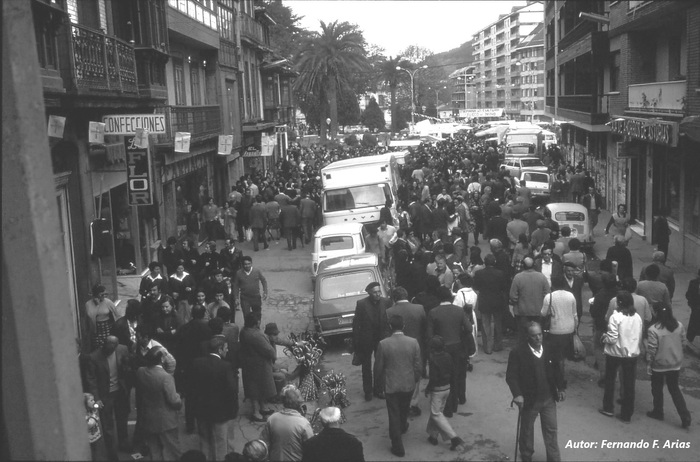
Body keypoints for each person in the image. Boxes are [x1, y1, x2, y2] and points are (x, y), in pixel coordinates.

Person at [506, 322, 566, 462]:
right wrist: (517, 394)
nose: (538, 338)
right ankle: (526, 456)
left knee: (551, 430)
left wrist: (561, 387)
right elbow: (511, 376)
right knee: (527, 430)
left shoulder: (549, 348)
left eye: (540, 334)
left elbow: (557, 369)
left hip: (549, 398)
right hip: (529, 399)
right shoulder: (518, 352)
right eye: (534, 336)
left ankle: (554, 459)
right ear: (528, 337)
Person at [375, 315, 423, 458]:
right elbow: (418, 365)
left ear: (390, 327)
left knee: (393, 413)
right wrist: (415, 379)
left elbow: (378, 367)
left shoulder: (383, 344)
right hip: (408, 383)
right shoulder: (413, 342)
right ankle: (402, 426)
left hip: (391, 385)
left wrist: (377, 385)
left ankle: (397, 444)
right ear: (403, 326)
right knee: (404, 407)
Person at [190, 337, 238, 460]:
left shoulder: (197, 363)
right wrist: (233, 411)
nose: (227, 351)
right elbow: (232, 390)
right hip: (220, 413)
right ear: (220, 349)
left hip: (201, 410)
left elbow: (192, 388)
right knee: (220, 444)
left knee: (204, 441)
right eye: (226, 348)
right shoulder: (226, 366)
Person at [427, 287, 472, 417]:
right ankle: (460, 397)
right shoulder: (459, 311)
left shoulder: (433, 312)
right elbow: (468, 328)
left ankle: (449, 404)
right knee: (458, 372)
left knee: (444, 376)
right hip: (457, 347)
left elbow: (430, 335)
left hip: (441, 349)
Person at [599, 291, 643, 423]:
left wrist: (604, 337)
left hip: (615, 353)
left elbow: (612, 338)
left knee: (610, 380)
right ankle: (627, 413)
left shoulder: (615, 317)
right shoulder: (637, 317)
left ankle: (608, 407)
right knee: (629, 383)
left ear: (618, 303)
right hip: (632, 353)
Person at [85, 335, 131, 459]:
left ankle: (123, 442)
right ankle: (112, 452)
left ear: (116, 346)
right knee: (107, 424)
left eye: (112, 348)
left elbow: (127, 367)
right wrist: (97, 398)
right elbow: (91, 379)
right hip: (105, 395)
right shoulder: (94, 357)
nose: (109, 350)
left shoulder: (123, 349)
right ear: (104, 344)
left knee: (122, 419)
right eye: (107, 347)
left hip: (120, 391)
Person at [646, 304, 691, 428]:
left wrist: (649, 363)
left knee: (657, 388)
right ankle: (685, 415)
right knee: (674, 389)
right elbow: (683, 343)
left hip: (659, 365)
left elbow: (652, 350)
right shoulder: (679, 326)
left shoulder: (653, 330)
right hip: (675, 363)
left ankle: (658, 411)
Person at [135, 347, 182, 460]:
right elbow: (173, 400)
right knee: (173, 450)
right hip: (166, 420)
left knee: (154, 450)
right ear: (161, 359)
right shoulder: (166, 377)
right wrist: (179, 398)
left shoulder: (141, 371)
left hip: (148, 417)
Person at [386, 286, 427, 417]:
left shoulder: (389, 311)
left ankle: (401, 401)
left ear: (394, 298)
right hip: (416, 345)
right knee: (416, 373)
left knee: (399, 372)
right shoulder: (419, 308)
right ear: (407, 295)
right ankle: (413, 403)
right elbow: (424, 328)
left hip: (395, 348)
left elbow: (386, 332)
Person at [352, 282, 392, 401]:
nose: (377, 294)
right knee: (366, 366)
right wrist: (356, 342)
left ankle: (379, 389)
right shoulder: (362, 304)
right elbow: (356, 324)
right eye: (375, 292)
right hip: (366, 339)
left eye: (379, 292)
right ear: (369, 293)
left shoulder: (386, 302)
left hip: (381, 338)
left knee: (380, 365)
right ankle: (368, 391)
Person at [424, 336, 464, 451]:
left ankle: (454, 437)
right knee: (438, 414)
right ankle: (433, 436)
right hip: (447, 388)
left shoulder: (433, 359)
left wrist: (428, 388)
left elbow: (433, 378)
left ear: (433, 348)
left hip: (437, 390)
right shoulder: (448, 356)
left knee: (436, 414)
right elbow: (453, 372)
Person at [260, 384, 314, 461]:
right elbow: (310, 448)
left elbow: (264, 443)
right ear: (299, 402)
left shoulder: (272, 418)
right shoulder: (303, 424)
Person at [240, 313, 278, 422]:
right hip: (259, 365)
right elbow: (269, 351)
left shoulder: (244, 332)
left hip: (251, 364)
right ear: (256, 323)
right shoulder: (256, 335)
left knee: (259, 388)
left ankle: (263, 407)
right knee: (256, 390)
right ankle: (256, 413)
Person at [510, 257, 551, 344]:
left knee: (523, 335)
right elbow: (548, 294)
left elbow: (513, 296)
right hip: (538, 312)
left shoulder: (518, 277)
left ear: (523, 266)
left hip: (522, 313)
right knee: (538, 334)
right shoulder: (542, 277)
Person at [541, 278, 578, 373]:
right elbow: (575, 314)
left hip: (555, 330)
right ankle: (560, 375)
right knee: (563, 355)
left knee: (556, 355)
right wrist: (575, 328)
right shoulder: (571, 296)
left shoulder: (549, 297)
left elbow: (543, 313)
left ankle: (558, 378)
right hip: (569, 329)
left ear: (552, 285)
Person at [473, 254, 508, 353]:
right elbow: (504, 288)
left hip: (484, 301)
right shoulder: (500, 273)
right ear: (494, 262)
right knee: (498, 324)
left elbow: (476, 286)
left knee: (485, 324)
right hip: (497, 301)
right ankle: (497, 345)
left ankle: (488, 347)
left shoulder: (479, 273)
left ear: (485, 262)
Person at [85, 284, 121, 351]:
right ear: (96, 295)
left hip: (107, 327)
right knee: (98, 347)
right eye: (101, 295)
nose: (104, 296)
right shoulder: (88, 304)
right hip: (96, 328)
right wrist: (97, 306)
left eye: (105, 294)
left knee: (108, 345)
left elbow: (117, 314)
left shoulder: (107, 302)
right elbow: (91, 316)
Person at [686, 269, 700, 349]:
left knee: (693, 324)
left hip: (696, 308)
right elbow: (689, 294)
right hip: (696, 308)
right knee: (694, 324)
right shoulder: (694, 283)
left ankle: (690, 341)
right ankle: (690, 340)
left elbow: (688, 294)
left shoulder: (694, 283)